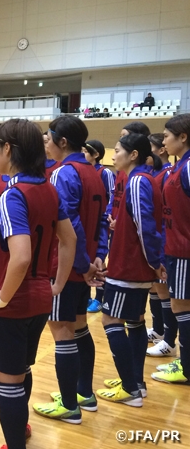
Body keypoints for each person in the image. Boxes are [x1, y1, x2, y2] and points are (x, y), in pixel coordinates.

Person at [0, 119, 77, 449]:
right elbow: (69, 239)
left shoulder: (11, 194)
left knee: (7, 380)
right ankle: (22, 428)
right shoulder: (49, 187)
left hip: (12, 305)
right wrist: (56, 285)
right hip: (40, 298)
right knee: (21, 369)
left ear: (8, 149)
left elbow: (20, 257)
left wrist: (1, 298)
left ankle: (15, 440)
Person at [33, 116, 108, 425]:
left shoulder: (64, 173)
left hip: (65, 265)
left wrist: (82, 263)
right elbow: (102, 219)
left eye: (49, 138)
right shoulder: (94, 172)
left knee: (62, 331)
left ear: (63, 142)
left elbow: (68, 227)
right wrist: (98, 257)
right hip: (84, 263)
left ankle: (69, 406)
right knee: (78, 328)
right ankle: (84, 394)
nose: (46, 143)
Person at [95, 133, 165, 407]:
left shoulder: (137, 181)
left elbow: (146, 226)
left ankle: (130, 389)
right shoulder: (142, 180)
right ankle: (137, 382)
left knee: (110, 321)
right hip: (134, 265)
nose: (114, 155)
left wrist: (153, 262)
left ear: (133, 154)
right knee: (135, 321)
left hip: (129, 267)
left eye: (118, 150)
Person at [151, 113, 190, 385]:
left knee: (182, 305)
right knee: (179, 305)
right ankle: (185, 362)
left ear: (183, 137)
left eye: (166, 135)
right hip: (174, 249)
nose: (163, 141)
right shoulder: (178, 167)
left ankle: (187, 369)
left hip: (186, 250)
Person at [146, 133, 177, 358]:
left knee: (166, 291)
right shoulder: (155, 173)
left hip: (165, 239)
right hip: (159, 240)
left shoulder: (167, 174)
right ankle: (158, 331)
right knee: (156, 288)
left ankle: (169, 339)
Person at [82, 140, 116, 313]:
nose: (83, 154)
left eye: (86, 152)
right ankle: (86, 296)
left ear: (96, 155)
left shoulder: (105, 173)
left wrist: (107, 217)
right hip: (87, 222)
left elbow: (112, 196)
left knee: (99, 260)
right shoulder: (82, 171)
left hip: (101, 223)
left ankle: (99, 298)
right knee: (86, 259)